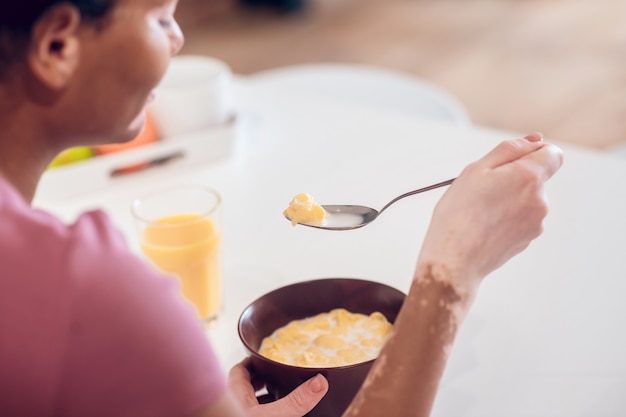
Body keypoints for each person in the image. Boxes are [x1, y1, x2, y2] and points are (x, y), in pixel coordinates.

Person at [0, 1, 563, 416]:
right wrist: (452, 272)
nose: (176, 41)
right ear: (58, 46)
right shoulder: (93, 293)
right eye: (159, 18)